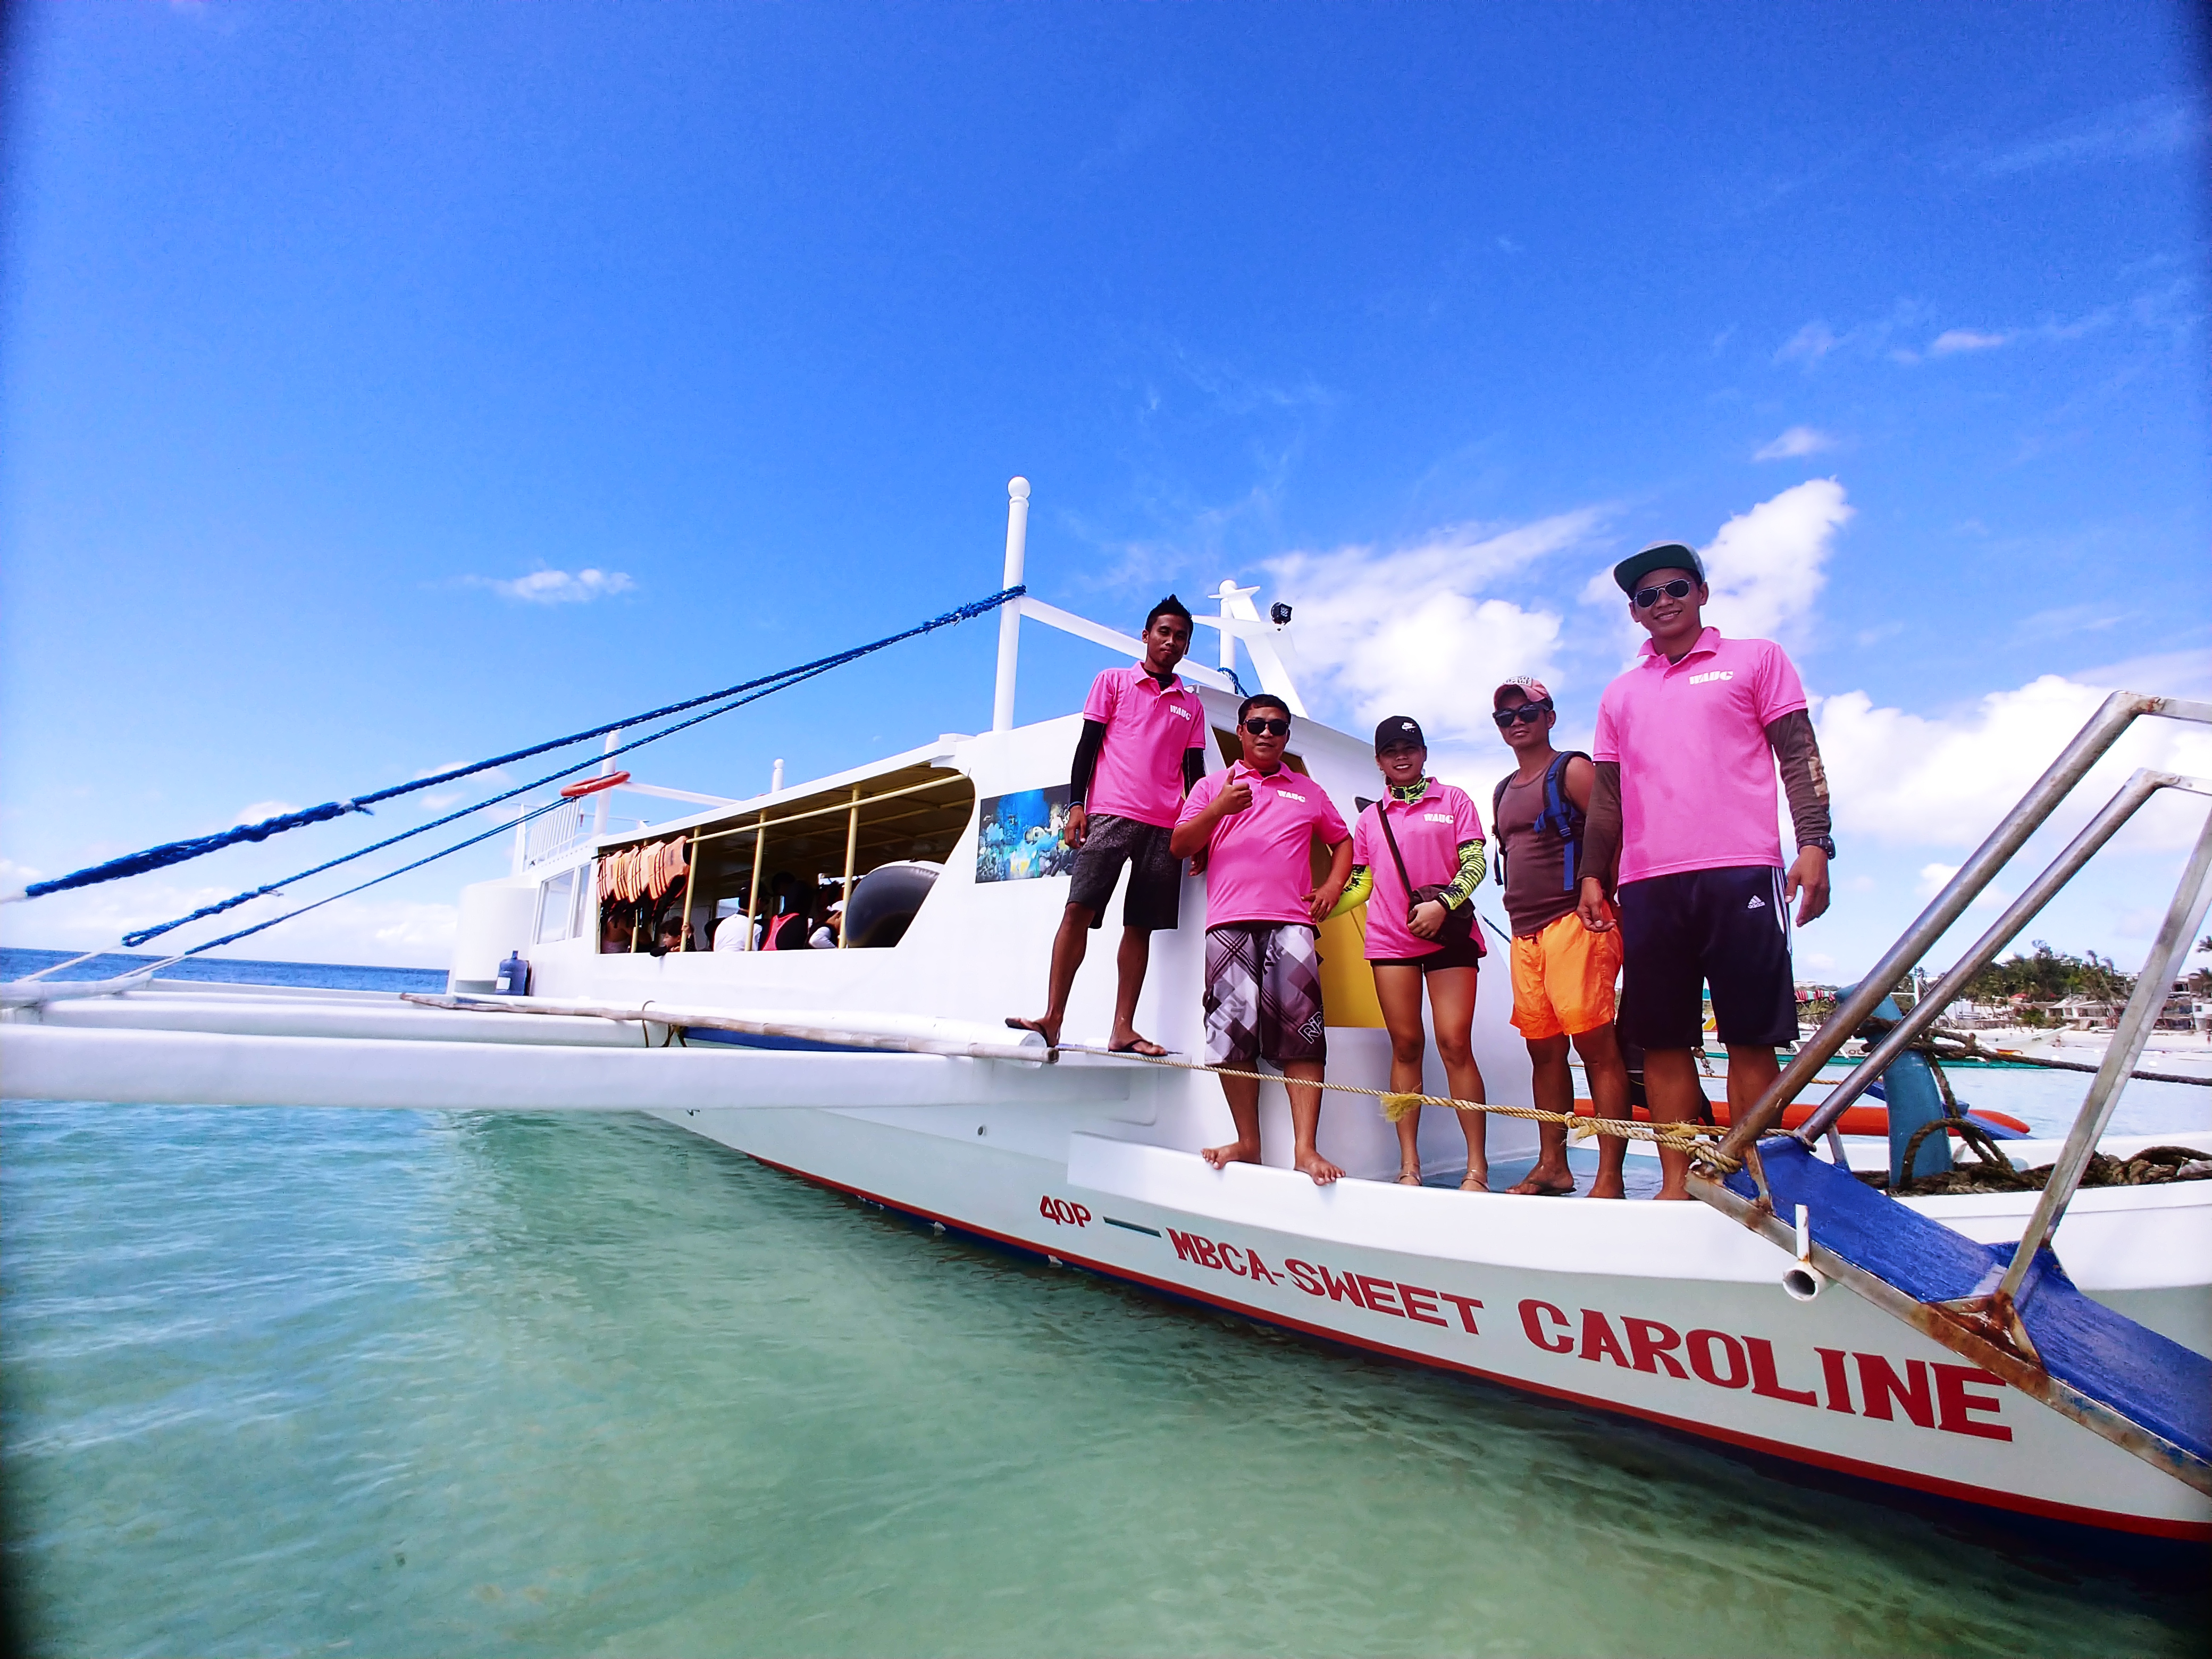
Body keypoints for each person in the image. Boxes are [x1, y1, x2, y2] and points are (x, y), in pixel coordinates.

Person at [1578, 541, 1834, 1200]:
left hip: (1741, 872)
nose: (1662, 602)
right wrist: (1592, 876)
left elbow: (1797, 753)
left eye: (1675, 588)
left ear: (1701, 593)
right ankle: (1675, 1187)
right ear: (1634, 613)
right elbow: (1606, 796)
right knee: (1661, 1042)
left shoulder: (1756, 658)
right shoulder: (1619, 693)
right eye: (1647, 596)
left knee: (1750, 1037)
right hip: (1647, 883)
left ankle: (1748, 1183)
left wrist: (1814, 842)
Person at [1008, 596, 1209, 1055]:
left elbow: (1195, 772)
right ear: (1146, 635)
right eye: (1164, 632)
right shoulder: (1113, 681)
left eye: (1180, 637)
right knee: (1077, 911)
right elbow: (1087, 747)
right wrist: (1077, 805)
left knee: (1140, 926)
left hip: (1166, 826)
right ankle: (1052, 1018)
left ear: (1187, 647)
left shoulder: (1191, 706)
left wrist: (1198, 831)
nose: (1171, 642)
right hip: (1110, 814)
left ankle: (1124, 1029)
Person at [1171, 694, 1353, 1185]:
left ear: (1287, 735)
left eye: (1277, 726)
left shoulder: (1308, 791)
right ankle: (1248, 1144)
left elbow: (1342, 842)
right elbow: (1180, 845)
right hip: (1228, 924)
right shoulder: (1213, 785)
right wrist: (1218, 810)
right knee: (1230, 1038)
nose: (1267, 733)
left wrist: (1333, 886)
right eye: (1257, 725)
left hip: (1293, 925)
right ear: (1242, 730)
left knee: (1304, 1040)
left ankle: (1305, 1150)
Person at [1329, 716, 1491, 1191]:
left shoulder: (1454, 799)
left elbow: (1475, 862)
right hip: (1391, 940)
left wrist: (1444, 905)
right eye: (1391, 750)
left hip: (1449, 937)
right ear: (1379, 761)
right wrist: (1319, 907)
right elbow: (1362, 882)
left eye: (1409, 747)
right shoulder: (1369, 818)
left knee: (1455, 1044)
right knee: (1405, 1046)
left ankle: (1477, 1168)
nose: (1401, 756)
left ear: (1423, 753)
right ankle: (1409, 1166)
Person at [1488, 678, 1634, 1198]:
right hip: (1524, 933)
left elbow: (1614, 829)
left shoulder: (1572, 769)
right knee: (1543, 1053)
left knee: (1596, 1048)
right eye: (1505, 717)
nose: (1516, 722)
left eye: (1527, 712)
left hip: (1576, 923)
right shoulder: (1502, 790)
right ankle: (1553, 1165)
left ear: (1549, 716)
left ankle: (1610, 1176)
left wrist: (1609, 900)